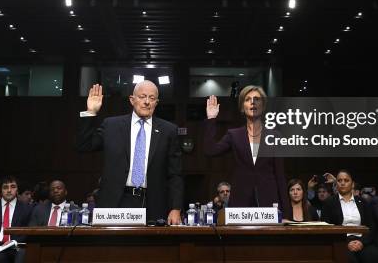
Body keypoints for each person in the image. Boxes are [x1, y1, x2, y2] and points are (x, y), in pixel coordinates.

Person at [77, 81, 183, 224]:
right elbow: (84, 145)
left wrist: (176, 208)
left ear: (156, 103)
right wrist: (91, 112)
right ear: (132, 100)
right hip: (114, 202)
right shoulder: (111, 125)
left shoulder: (168, 130)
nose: (147, 102)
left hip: (153, 203)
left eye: (152, 98)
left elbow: (175, 174)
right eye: (142, 96)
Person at [203, 86, 290, 218]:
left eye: (257, 99)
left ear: (263, 105)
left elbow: (280, 175)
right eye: (248, 99)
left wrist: (286, 213)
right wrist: (211, 119)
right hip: (240, 201)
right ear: (242, 107)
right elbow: (210, 150)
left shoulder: (275, 136)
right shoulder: (234, 135)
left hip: (269, 202)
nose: (253, 102)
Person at [321, 170, 378, 263]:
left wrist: (362, 242)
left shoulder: (363, 202)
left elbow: (372, 226)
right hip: (341, 242)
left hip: (362, 241)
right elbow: (326, 228)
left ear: (352, 184)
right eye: (339, 180)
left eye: (346, 180)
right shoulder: (329, 203)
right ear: (336, 183)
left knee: (375, 257)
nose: (342, 183)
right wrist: (346, 242)